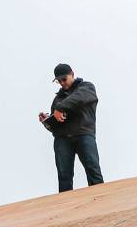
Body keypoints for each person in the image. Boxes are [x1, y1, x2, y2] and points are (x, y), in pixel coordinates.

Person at [39, 63, 104, 192]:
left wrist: (60, 108)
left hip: (84, 134)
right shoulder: (57, 100)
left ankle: (101, 203)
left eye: (64, 79)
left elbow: (78, 98)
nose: (62, 83)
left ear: (72, 74)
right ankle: (66, 209)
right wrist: (47, 121)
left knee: (93, 170)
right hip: (62, 139)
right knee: (64, 177)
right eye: (59, 81)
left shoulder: (87, 87)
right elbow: (55, 127)